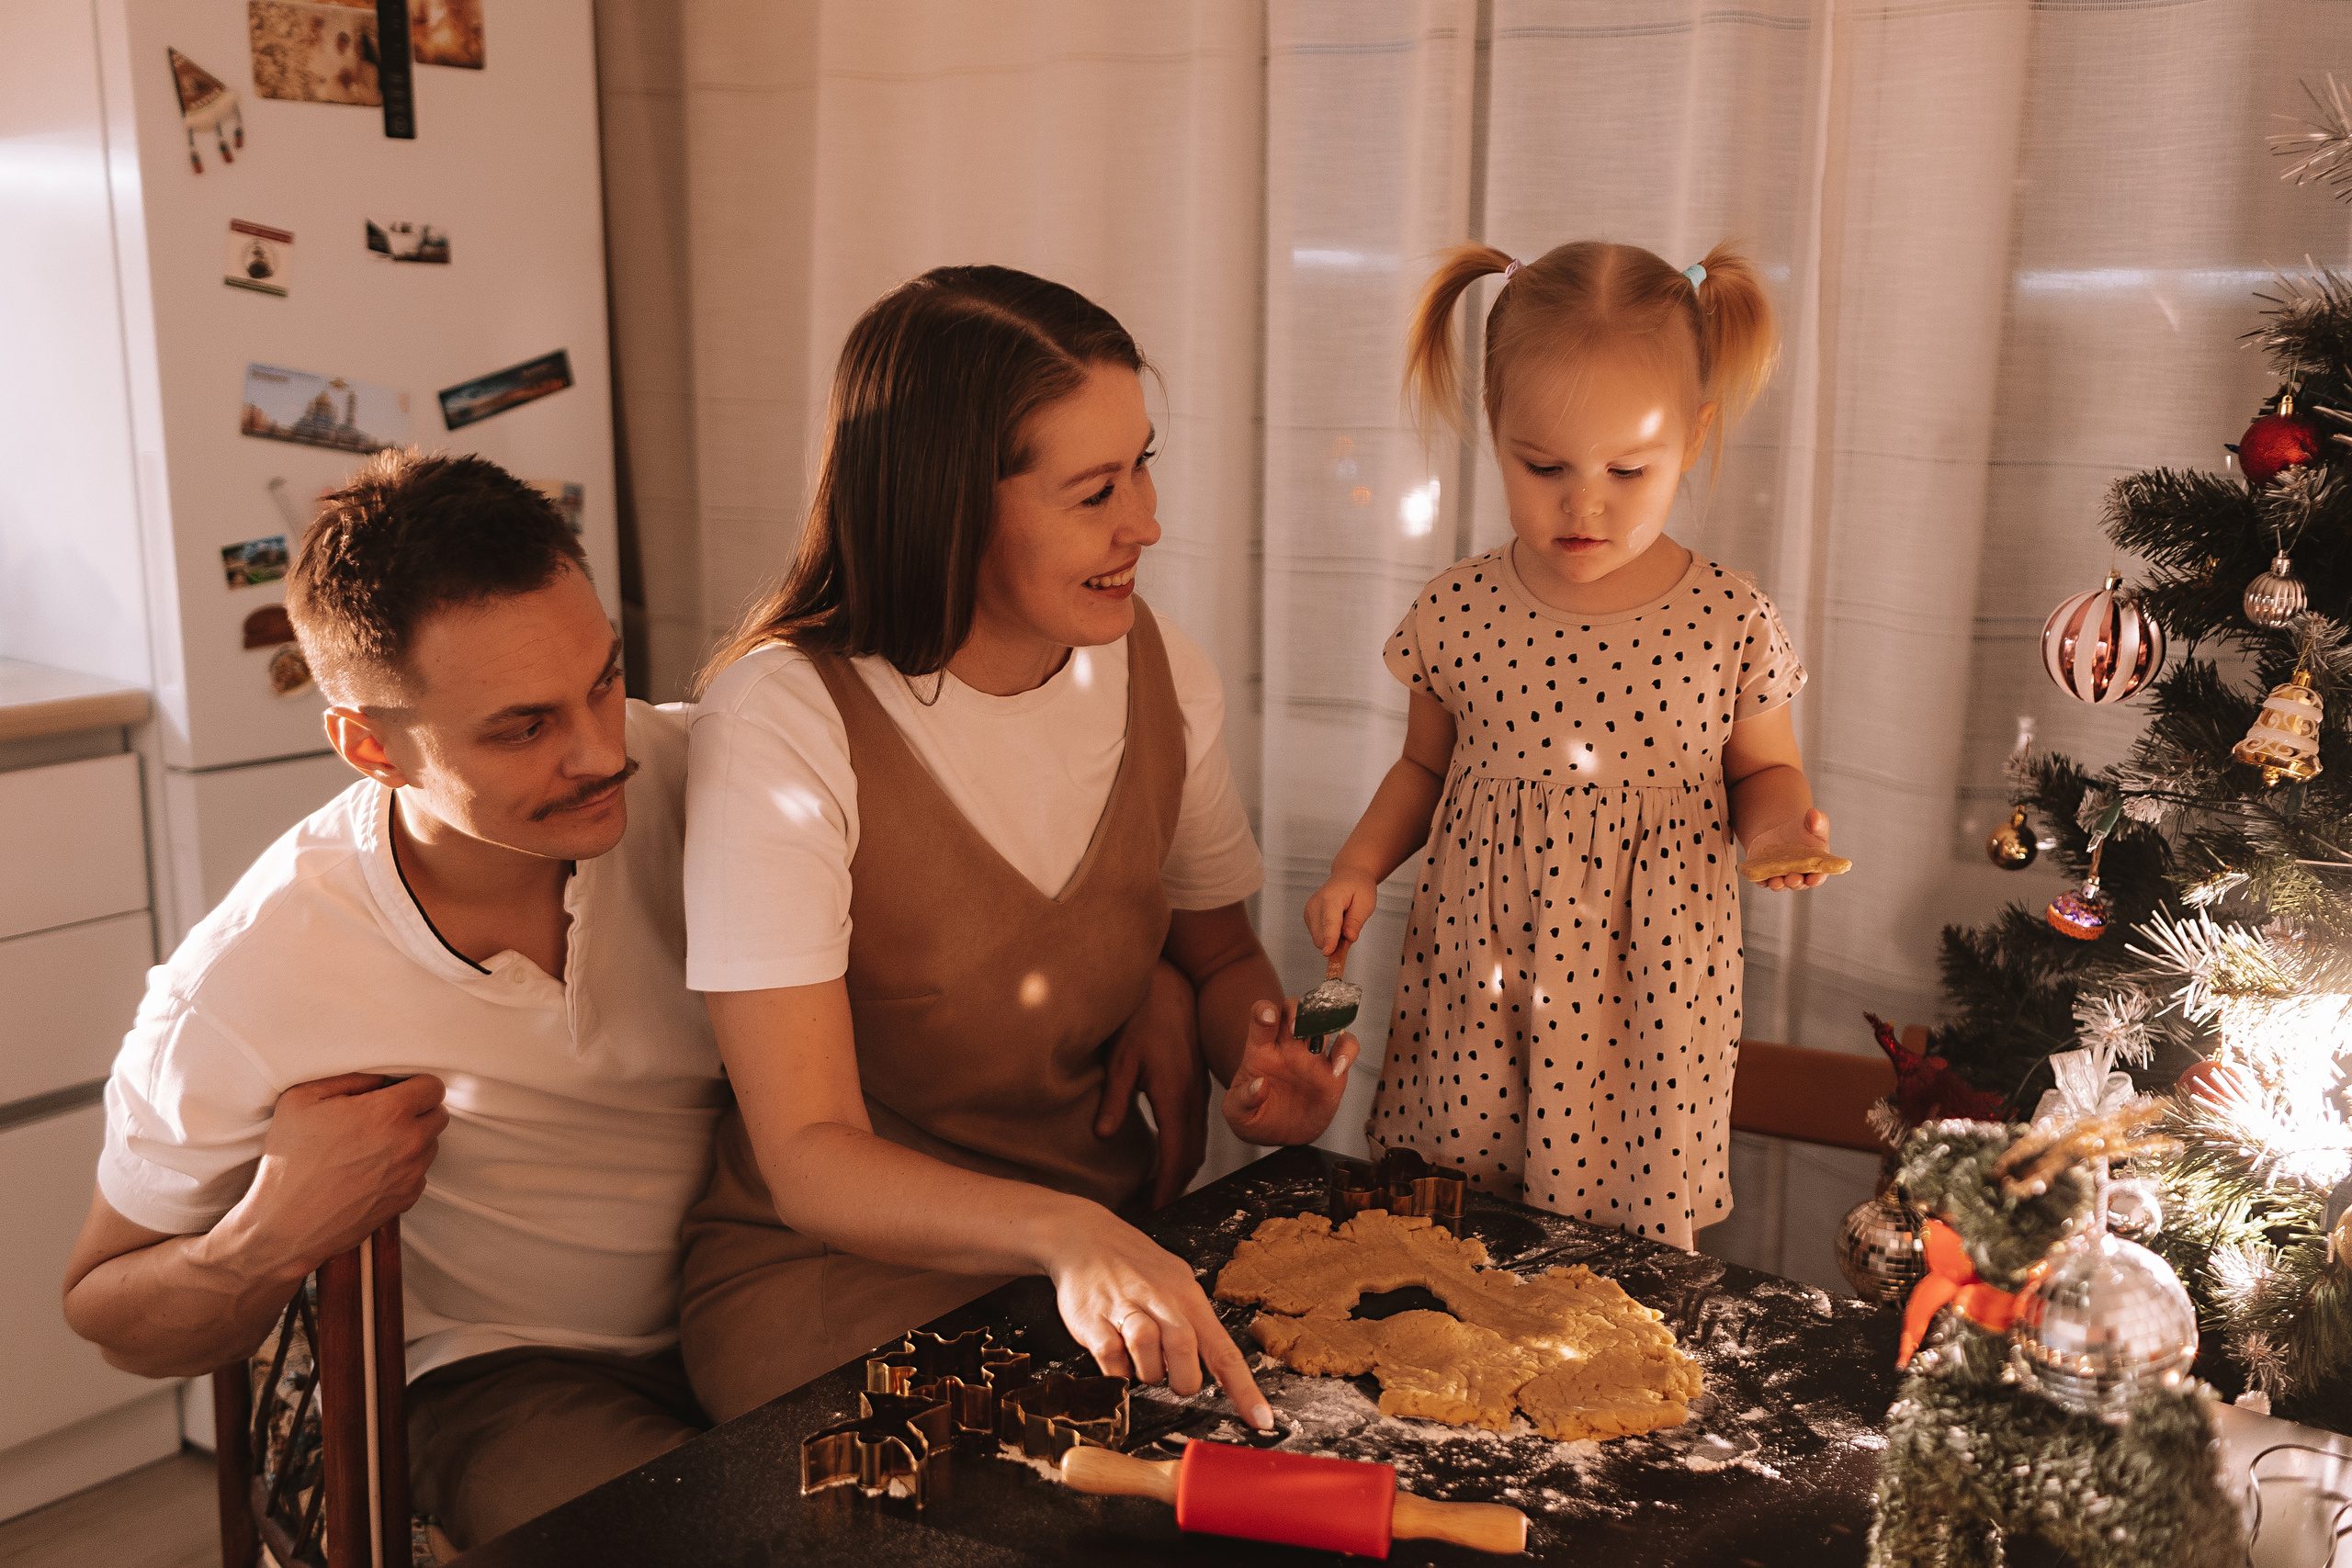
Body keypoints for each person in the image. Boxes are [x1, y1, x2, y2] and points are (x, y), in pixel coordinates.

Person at [681, 265, 1354, 1427]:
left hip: (1088, 1263)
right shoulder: (784, 721)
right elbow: (808, 1154)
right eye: (1095, 490)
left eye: (1145, 463)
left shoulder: (1160, 669)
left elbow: (1217, 961)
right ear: (950, 504)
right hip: (835, 1283)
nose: (1145, 520)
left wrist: (1257, 1070)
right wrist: (1063, 1230)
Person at [61, 453, 723, 1551]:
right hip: (497, 1377)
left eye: (604, 680)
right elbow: (110, 1314)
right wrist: (267, 1235)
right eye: (522, 728)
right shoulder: (250, 975)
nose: (604, 751)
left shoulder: (710, 776)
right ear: (372, 746)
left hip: (746, 1284)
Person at [1306, 242, 1832, 1249]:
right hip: (1479, 981)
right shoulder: (1458, 608)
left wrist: (1774, 838)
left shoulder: (1729, 618)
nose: (1582, 504)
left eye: (1628, 471)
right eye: (1541, 466)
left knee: (1619, 1269)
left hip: (1650, 994)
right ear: (1493, 434)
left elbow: (1763, 769)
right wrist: (1357, 864)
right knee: (1454, 1239)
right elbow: (1424, 767)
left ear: (1693, 437)